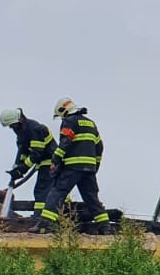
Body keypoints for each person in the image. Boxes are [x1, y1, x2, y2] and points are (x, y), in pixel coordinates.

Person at [38, 97, 112, 230]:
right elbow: (99, 146)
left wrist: (56, 160)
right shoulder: (91, 123)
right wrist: (95, 165)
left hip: (73, 167)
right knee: (91, 198)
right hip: (89, 168)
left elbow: (65, 142)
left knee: (57, 192)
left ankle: (45, 224)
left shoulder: (69, 121)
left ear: (64, 111)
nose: (61, 119)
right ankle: (105, 226)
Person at [0, 108, 57, 220]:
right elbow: (23, 151)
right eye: (10, 126)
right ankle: (41, 216)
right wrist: (17, 166)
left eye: (13, 125)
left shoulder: (34, 129)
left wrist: (23, 168)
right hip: (43, 163)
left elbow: (37, 154)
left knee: (42, 190)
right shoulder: (22, 132)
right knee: (44, 190)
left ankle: (40, 217)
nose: (12, 128)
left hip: (51, 162)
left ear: (20, 120)